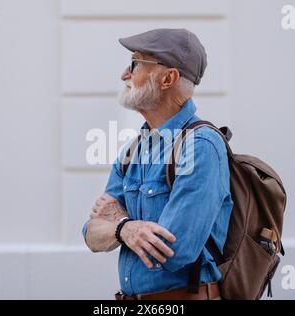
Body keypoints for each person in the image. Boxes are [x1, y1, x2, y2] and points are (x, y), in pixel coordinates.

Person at [82, 28, 233, 300]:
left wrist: (117, 221)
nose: (124, 74)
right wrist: (126, 228)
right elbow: (91, 234)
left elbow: (174, 252)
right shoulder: (134, 150)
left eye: (136, 63)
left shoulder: (201, 146)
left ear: (168, 78)